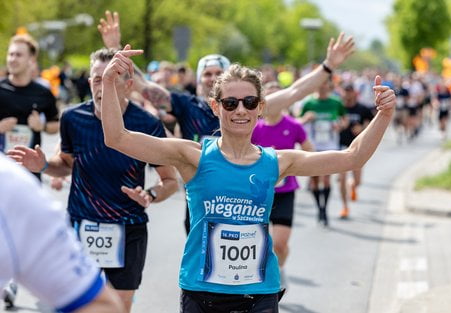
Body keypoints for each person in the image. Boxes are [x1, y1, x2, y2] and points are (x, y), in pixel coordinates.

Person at [99, 45, 395, 312]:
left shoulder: (276, 161)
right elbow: (117, 138)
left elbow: (352, 157)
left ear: (260, 108)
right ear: (216, 107)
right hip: (202, 293)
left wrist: (383, 114)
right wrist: (110, 82)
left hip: (259, 294)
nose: (240, 110)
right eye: (230, 103)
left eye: (249, 102)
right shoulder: (193, 157)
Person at [95, 10, 355, 234]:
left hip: (245, 192)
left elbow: (294, 92)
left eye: (219, 73)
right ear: (199, 81)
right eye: (207, 74)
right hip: (203, 194)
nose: (212, 78)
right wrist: (118, 53)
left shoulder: (249, 106)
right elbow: (143, 86)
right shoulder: (186, 105)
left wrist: (328, 67)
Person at [7, 47, 179, 313]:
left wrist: (151, 194)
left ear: (128, 85)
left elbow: (170, 180)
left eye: (111, 78)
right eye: (98, 79)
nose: (102, 86)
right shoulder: (73, 118)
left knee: (118, 308)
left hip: (128, 228)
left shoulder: (146, 123)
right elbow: (65, 166)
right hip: (82, 225)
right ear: (89, 82)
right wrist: (42, 165)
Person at [0, 153, 125, 313]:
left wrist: (47, 166)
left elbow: (100, 306)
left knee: (123, 292)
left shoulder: (11, 188)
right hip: (84, 214)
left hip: (116, 218)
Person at [251, 81, 313, 289]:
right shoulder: (254, 128)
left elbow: (309, 152)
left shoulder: (293, 126)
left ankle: (280, 268)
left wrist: (294, 167)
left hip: (285, 192)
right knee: (257, 242)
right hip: (259, 193)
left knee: (280, 243)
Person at [0, 34, 59, 180]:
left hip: (29, 173)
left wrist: (42, 126)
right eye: (11, 54)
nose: (13, 59)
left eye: (18, 55)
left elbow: (56, 124)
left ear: (31, 60)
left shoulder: (43, 93)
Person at [299, 76, 346, 226]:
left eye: (326, 84)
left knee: (326, 178)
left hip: (330, 144)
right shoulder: (309, 103)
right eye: (320, 83)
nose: (323, 86)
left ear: (330, 86)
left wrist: (340, 126)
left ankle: (324, 209)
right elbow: (297, 123)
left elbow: (344, 120)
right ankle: (319, 207)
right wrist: (306, 119)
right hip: (312, 146)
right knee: (314, 180)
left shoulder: (336, 102)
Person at [338, 84, 374, 219]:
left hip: (357, 148)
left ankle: (352, 185)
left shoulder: (362, 108)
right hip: (341, 146)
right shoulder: (339, 107)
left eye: (349, 92)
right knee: (341, 179)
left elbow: (373, 124)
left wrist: (362, 128)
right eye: (345, 92)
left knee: (358, 181)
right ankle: (345, 207)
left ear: (355, 93)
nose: (347, 95)